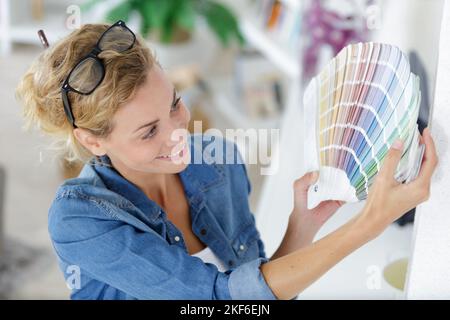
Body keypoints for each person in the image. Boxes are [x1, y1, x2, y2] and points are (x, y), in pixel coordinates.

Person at [16, 21, 438, 300]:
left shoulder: (215, 162)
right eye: (148, 131)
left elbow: (252, 294)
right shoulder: (80, 220)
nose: (178, 133)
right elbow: (218, 300)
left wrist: (301, 227)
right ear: (92, 141)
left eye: (175, 105)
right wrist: (368, 224)